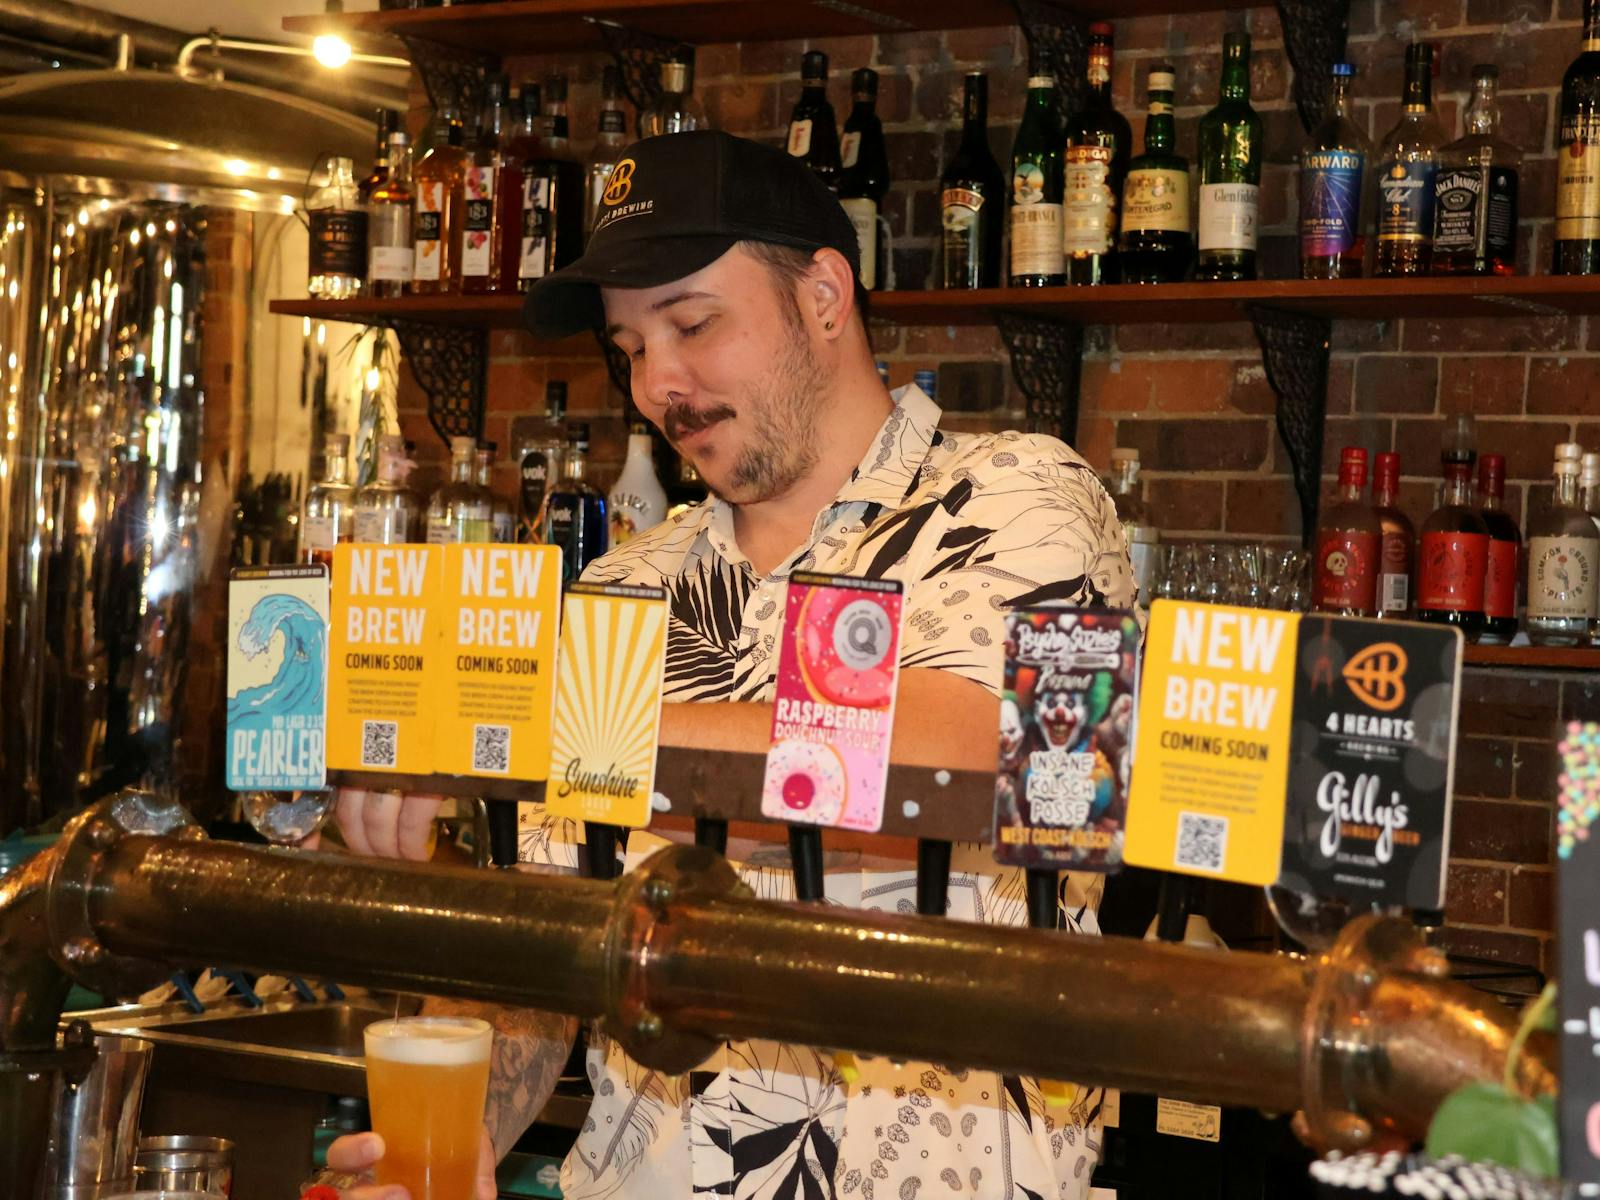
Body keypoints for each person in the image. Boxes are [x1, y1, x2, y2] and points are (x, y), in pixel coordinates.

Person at [327, 129, 1134, 1200]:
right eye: (627, 349)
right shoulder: (621, 590)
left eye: (692, 322)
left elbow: (970, 760)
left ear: (825, 296)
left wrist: (509, 730)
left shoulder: (1019, 499)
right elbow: (545, 938)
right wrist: (458, 1130)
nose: (659, 382)